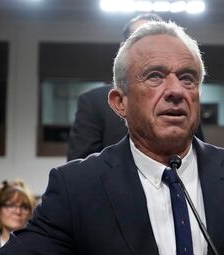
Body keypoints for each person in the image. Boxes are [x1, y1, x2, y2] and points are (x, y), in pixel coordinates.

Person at [0, 21, 224, 255]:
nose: (176, 91)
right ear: (119, 102)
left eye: (188, 78)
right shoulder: (79, 185)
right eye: (155, 76)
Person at [66, 13, 203, 161]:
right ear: (119, 102)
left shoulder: (186, 97)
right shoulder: (93, 102)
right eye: (139, 38)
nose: (175, 91)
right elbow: (80, 168)